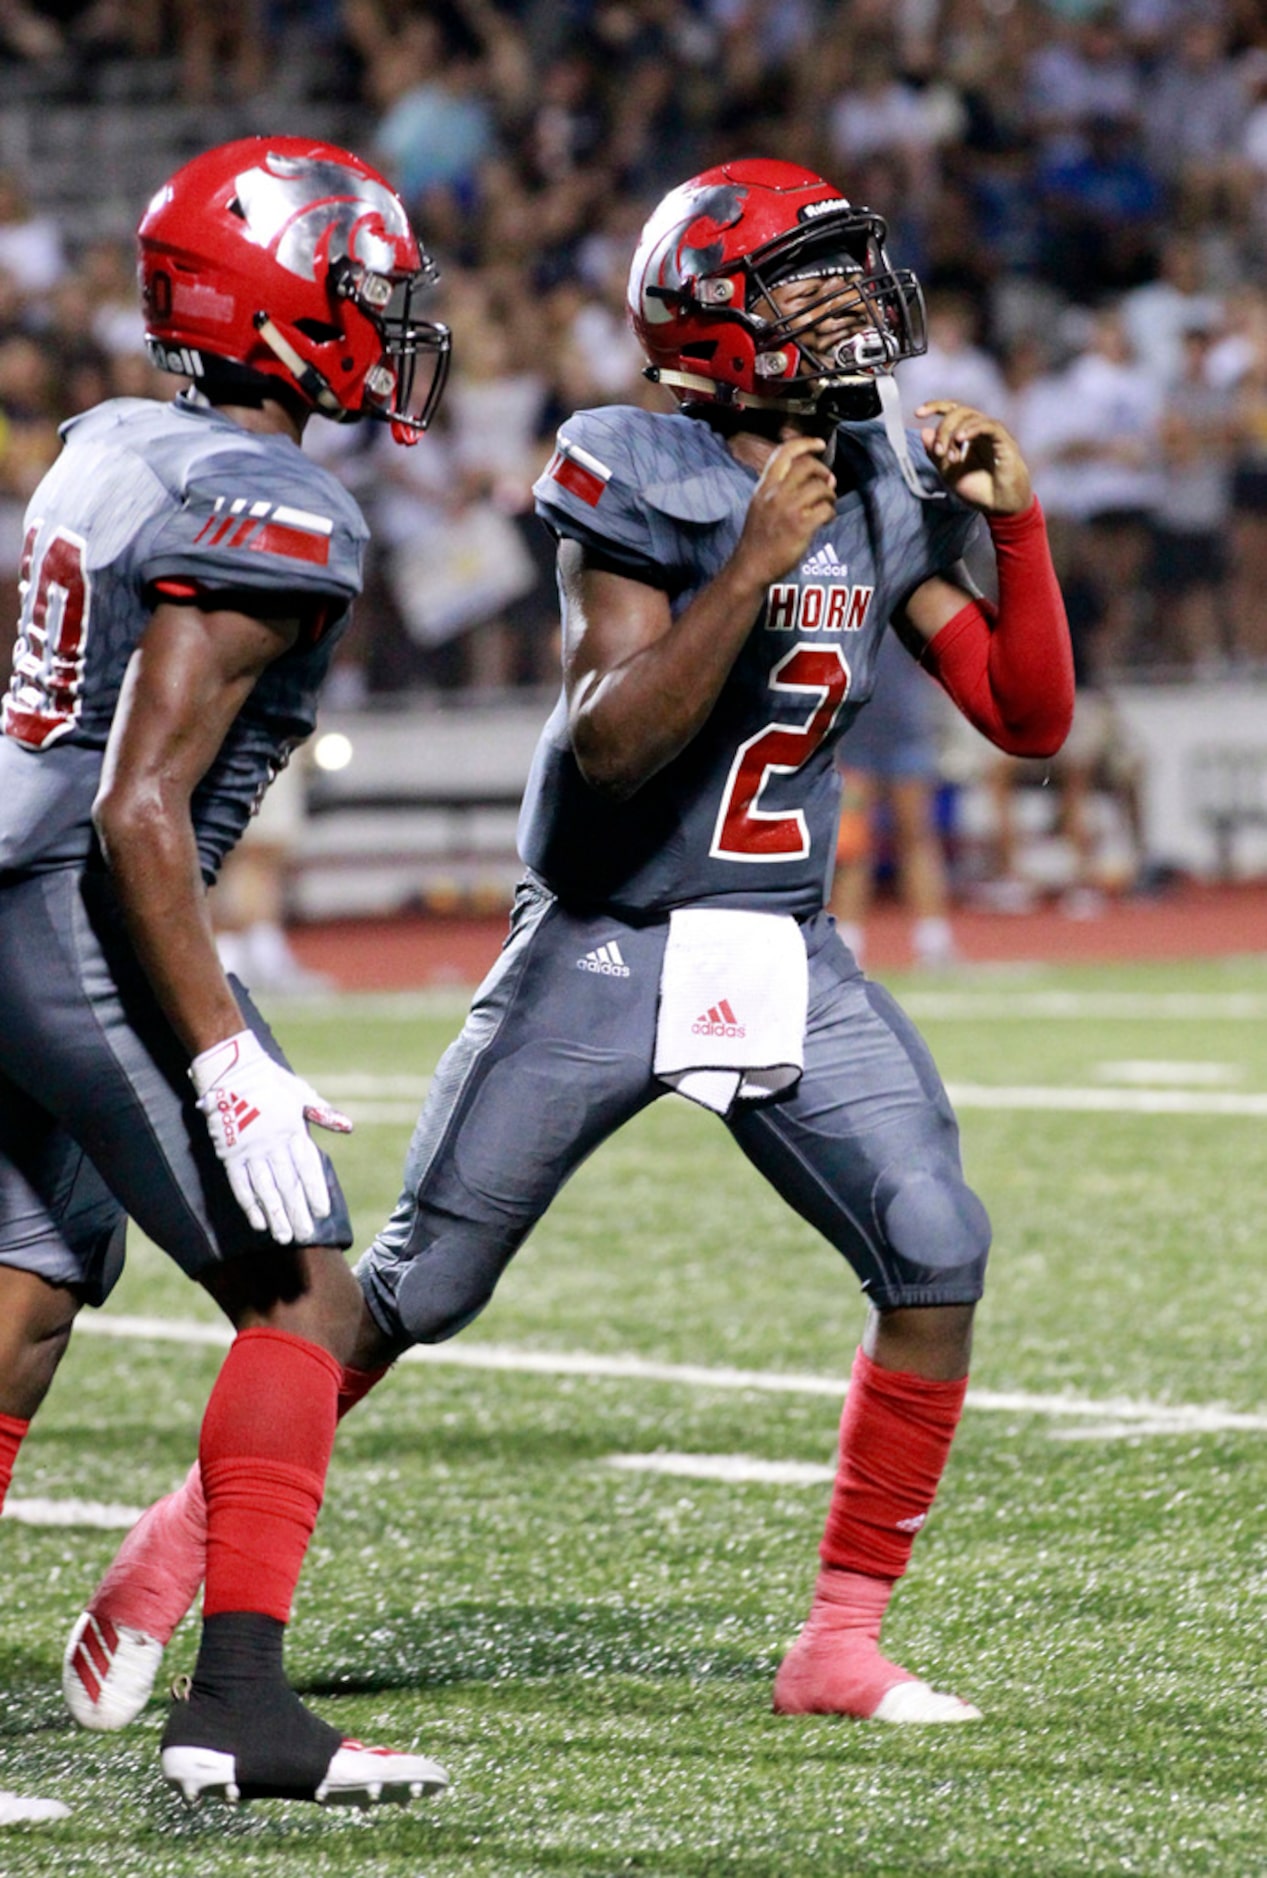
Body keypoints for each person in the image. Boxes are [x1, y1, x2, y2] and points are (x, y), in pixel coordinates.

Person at [64, 156, 1073, 1731]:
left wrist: (1019, 536)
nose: (845, 305)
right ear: (716, 319)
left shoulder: (876, 474)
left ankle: (836, 1639)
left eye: (840, 270)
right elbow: (609, 743)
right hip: (605, 940)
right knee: (410, 1285)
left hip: (780, 945)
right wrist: (746, 559)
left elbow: (1023, 714)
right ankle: (164, 1557)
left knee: (937, 1241)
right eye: (803, 278)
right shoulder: (633, 466)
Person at [0, 136, 453, 1818]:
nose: (387, 316)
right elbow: (140, 804)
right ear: (272, 301)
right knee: (304, 1294)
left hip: (13, 870)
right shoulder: (272, 499)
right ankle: (242, 1702)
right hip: (77, 902)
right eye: (361, 285)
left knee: (26, 1294)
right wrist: (222, 1054)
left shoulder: (114, 441)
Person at [829, 627, 958, 970]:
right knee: (854, 846)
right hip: (856, 734)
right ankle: (847, 944)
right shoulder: (854, 595)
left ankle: (934, 942)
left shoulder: (908, 591)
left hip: (906, 730)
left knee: (917, 836)